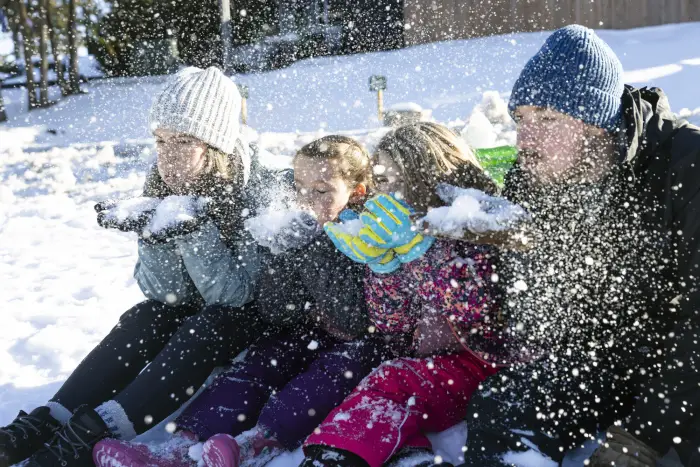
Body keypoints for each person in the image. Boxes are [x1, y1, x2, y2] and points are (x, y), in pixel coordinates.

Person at [0, 67, 279, 467]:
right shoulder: (163, 181)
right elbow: (165, 294)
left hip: (253, 320)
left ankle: (95, 433)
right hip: (200, 311)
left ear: (214, 144)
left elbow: (235, 297)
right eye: (161, 140)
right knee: (147, 314)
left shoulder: (258, 186)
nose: (168, 154)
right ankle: (51, 418)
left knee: (212, 322)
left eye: (183, 141)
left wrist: (193, 229)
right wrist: (152, 235)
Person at [459, 25, 700, 467]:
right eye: (522, 120)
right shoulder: (535, 174)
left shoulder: (686, 165)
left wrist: (644, 434)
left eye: (548, 119)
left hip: (683, 360)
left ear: (597, 124)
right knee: (502, 407)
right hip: (605, 357)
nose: (526, 140)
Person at [92, 135, 400, 467]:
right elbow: (277, 311)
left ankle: (258, 442)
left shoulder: (367, 237)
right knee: (260, 362)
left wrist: (312, 251)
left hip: (363, 343)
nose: (307, 200)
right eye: (299, 188)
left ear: (355, 193)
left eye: (322, 191)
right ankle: (184, 444)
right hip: (307, 333)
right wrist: (284, 255)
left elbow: (352, 321)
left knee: (325, 376)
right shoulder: (297, 229)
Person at [300, 122, 507, 467]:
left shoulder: (473, 226)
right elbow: (393, 324)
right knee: (390, 378)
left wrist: (420, 253)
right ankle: (400, 456)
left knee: (392, 378)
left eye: (401, 181)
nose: (388, 192)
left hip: (485, 362)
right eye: (382, 181)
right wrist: (383, 265)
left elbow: (473, 316)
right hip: (437, 363)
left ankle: (339, 455)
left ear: (434, 180)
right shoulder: (393, 230)